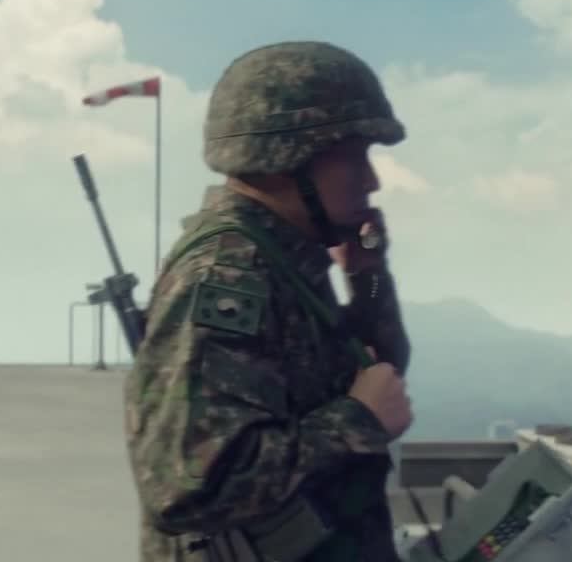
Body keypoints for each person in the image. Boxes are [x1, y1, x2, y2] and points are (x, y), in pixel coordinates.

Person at [124, 41, 415, 561]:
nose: (371, 181)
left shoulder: (282, 258)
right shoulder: (227, 276)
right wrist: (356, 422)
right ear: (286, 161)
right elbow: (187, 487)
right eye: (352, 157)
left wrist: (368, 275)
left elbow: (379, 368)